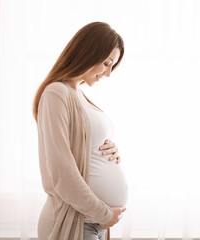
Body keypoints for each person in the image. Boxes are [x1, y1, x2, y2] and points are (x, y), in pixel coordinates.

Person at [32, 22, 128, 240]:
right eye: (106, 63)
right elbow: (60, 172)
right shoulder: (56, 93)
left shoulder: (79, 94)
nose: (108, 73)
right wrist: (103, 213)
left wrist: (108, 149)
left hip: (93, 223)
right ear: (88, 53)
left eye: (112, 65)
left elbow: (83, 146)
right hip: (75, 222)